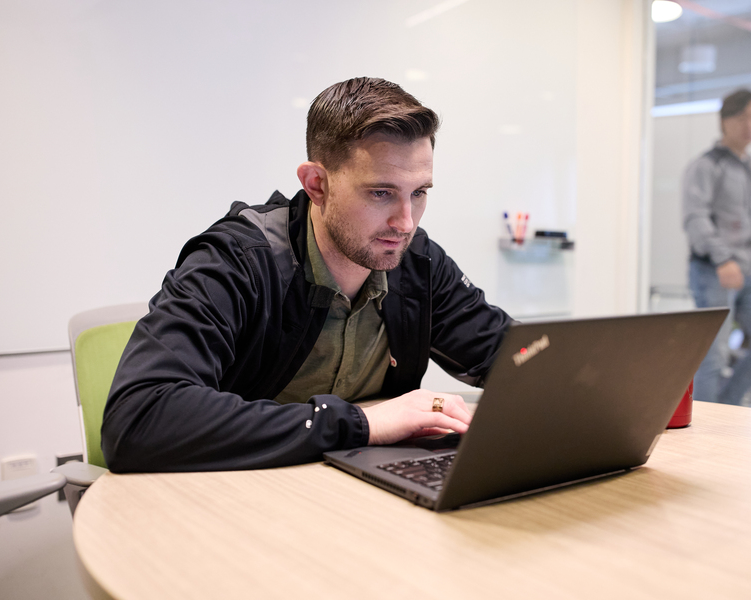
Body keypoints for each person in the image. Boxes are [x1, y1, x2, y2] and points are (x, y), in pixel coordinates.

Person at [101, 77, 513, 472]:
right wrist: (361, 424)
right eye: (381, 193)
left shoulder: (417, 261)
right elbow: (138, 417)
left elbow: (517, 363)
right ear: (317, 184)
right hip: (238, 499)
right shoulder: (236, 261)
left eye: (419, 193)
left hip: (364, 494)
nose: (406, 223)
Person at [682, 88, 751, 406]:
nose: (750, 125)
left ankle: (727, 407)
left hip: (750, 272)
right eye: (742, 117)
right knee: (714, 354)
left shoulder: (750, 168)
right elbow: (695, 219)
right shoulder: (706, 166)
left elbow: (745, 222)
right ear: (724, 120)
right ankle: (705, 428)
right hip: (714, 271)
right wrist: (723, 259)